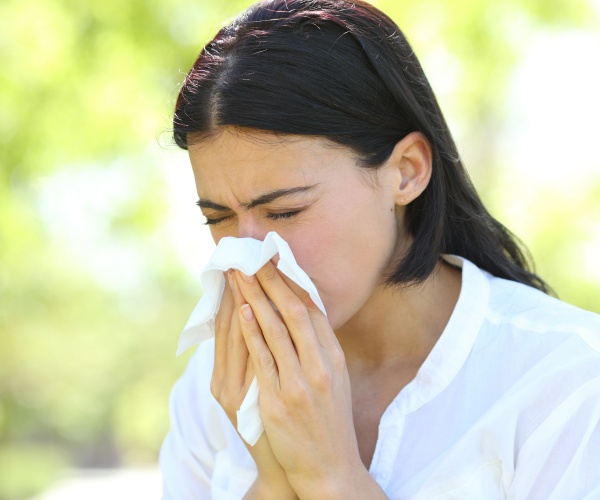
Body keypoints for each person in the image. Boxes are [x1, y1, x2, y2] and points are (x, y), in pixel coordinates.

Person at [159, 0, 600, 498]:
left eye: (285, 212)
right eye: (217, 218)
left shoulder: (568, 381)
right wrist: (274, 479)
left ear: (406, 170)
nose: (248, 255)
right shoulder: (217, 386)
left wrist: (327, 476)